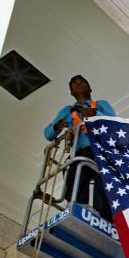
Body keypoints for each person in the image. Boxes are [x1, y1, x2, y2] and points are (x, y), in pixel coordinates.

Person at [44, 75, 115, 220]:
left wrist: (95, 114)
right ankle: (76, 212)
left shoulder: (101, 105)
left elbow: (113, 122)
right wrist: (57, 126)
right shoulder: (68, 111)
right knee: (75, 182)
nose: (78, 84)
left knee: (102, 183)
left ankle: (104, 218)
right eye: (73, 83)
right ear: (71, 92)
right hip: (79, 153)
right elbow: (48, 134)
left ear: (90, 88)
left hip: (99, 151)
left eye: (82, 81)